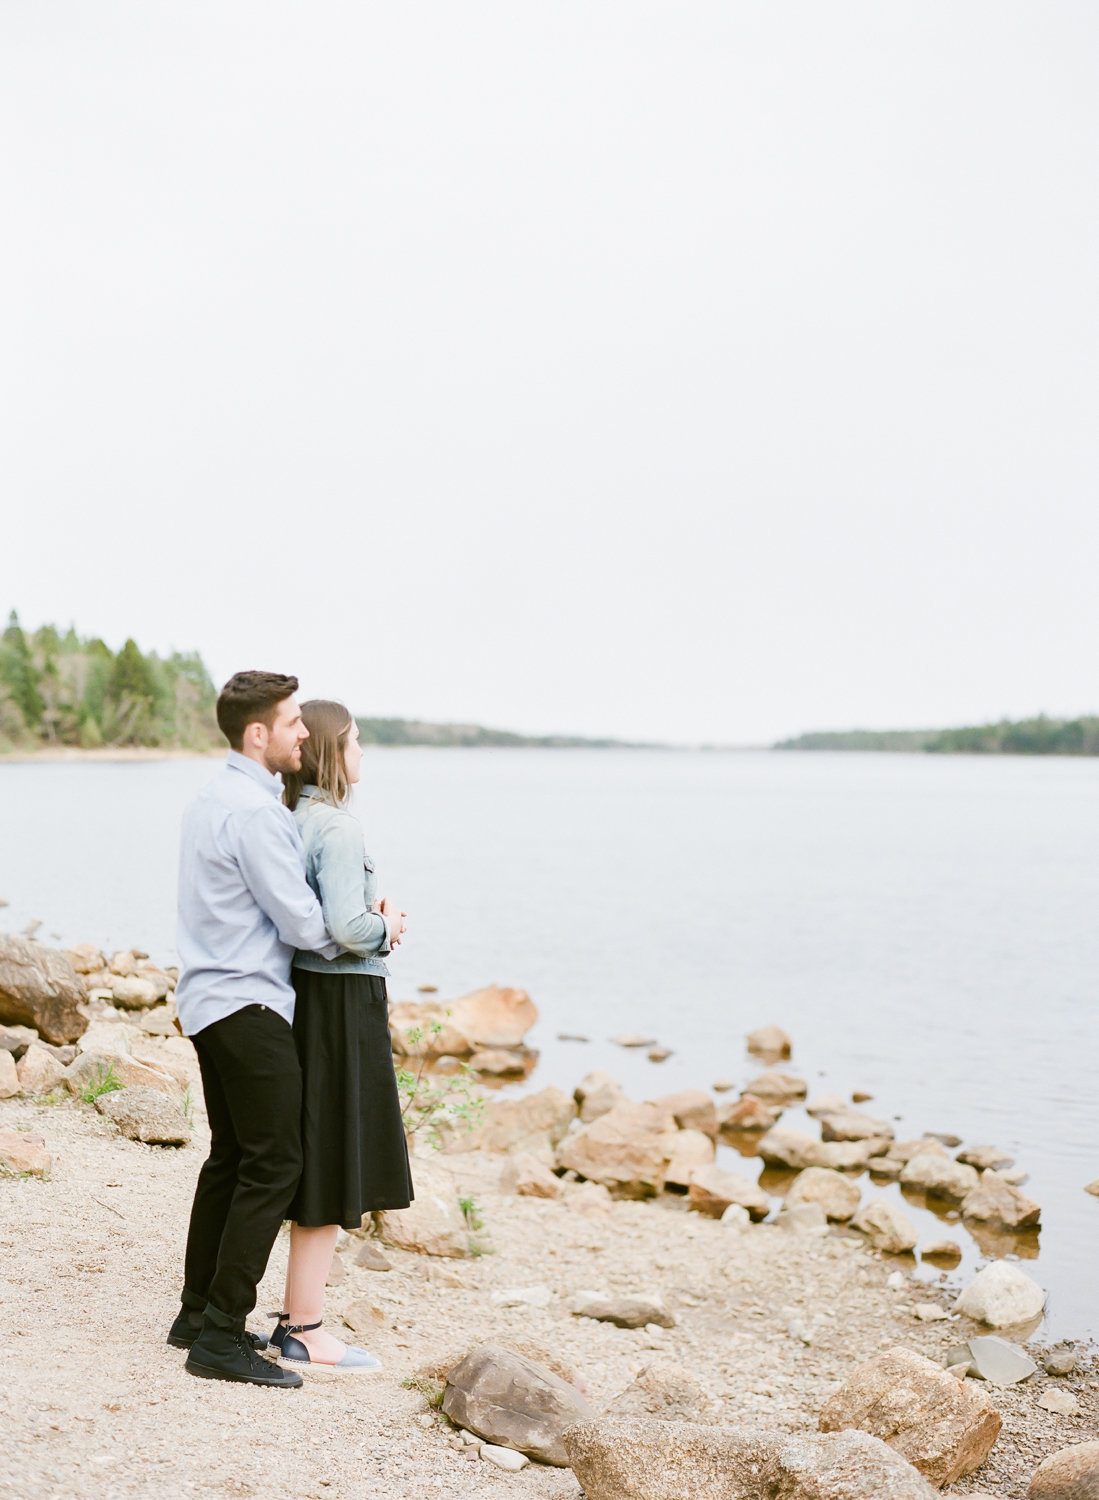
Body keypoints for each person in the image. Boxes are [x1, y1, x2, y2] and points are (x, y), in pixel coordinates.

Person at [170, 671, 344, 1390]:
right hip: (249, 1004)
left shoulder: (211, 798)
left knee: (233, 1157)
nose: (304, 733)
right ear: (257, 734)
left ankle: (195, 1311)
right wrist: (368, 934)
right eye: (294, 722)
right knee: (276, 1163)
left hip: (209, 1000)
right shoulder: (254, 812)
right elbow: (300, 920)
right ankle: (218, 1338)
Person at [267, 699, 412, 1373]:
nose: (362, 754)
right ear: (332, 753)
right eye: (355, 742)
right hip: (342, 998)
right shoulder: (337, 826)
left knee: (314, 1150)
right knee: (332, 1157)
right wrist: (390, 926)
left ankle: (296, 1318)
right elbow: (348, 929)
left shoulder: (289, 817)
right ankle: (305, 1327)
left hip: (303, 996)